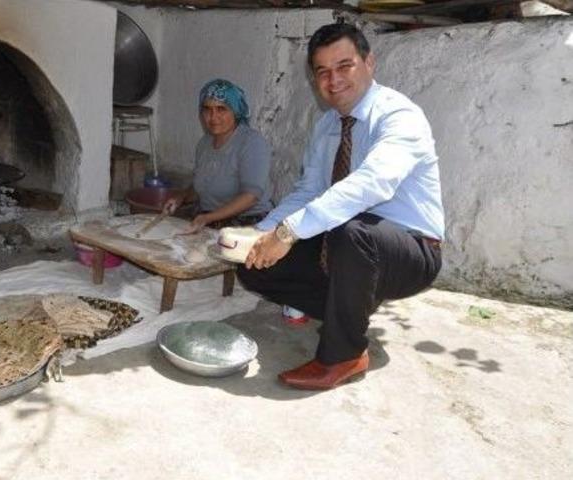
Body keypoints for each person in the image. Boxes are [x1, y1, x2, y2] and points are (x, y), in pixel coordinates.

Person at [238, 24, 444, 390]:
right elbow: (308, 192)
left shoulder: (399, 115)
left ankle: (344, 354)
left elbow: (372, 183)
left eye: (344, 66)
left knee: (354, 231)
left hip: (410, 250)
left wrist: (289, 231)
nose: (334, 80)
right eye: (322, 71)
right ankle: (349, 308)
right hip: (349, 243)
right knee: (255, 266)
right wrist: (260, 233)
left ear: (369, 63)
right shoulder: (327, 126)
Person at [162, 79, 273, 232]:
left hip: (247, 222)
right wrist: (181, 197)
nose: (213, 117)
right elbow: (201, 187)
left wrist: (209, 218)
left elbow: (251, 197)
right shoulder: (204, 143)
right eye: (207, 109)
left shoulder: (251, 143)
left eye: (221, 109)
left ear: (236, 111)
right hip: (210, 218)